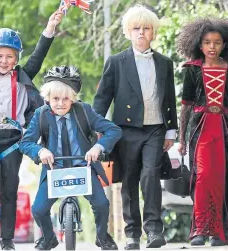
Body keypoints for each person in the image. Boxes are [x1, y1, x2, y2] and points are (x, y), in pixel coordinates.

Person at [0, 9, 63, 251]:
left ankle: (7, 239)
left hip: (14, 139)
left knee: (9, 188)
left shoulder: (23, 75)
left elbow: (38, 56)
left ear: (17, 58)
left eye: (10, 56)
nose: (4, 61)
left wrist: (50, 28)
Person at [93, 5, 177, 249]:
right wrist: (99, 129)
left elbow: (169, 99)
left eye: (146, 28)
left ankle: (154, 231)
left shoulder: (164, 62)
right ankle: (132, 235)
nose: (141, 32)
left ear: (153, 32)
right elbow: (102, 98)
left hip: (155, 129)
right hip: (126, 130)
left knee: (151, 175)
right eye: (136, 28)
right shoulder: (116, 62)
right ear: (128, 32)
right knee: (129, 179)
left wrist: (171, 130)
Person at [19, 66, 121, 250]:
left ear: (73, 98)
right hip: (54, 169)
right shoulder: (40, 115)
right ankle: (49, 238)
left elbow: (113, 130)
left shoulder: (84, 111)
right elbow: (25, 143)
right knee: (38, 209)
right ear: (47, 98)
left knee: (102, 204)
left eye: (66, 99)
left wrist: (98, 147)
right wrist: (40, 151)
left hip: (83, 167)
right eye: (55, 99)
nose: (60, 103)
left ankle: (102, 236)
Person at [176, 18, 228, 246]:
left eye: (217, 42)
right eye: (207, 42)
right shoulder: (193, 69)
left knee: (221, 179)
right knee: (202, 178)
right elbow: (186, 105)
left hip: (226, 131)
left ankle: (219, 233)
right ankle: (200, 230)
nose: (212, 47)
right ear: (199, 45)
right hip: (201, 130)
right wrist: (181, 137)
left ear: (224, 45)